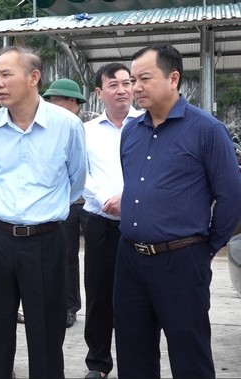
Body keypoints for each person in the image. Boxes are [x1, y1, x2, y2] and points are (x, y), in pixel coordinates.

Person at [116, 43, 241, 378]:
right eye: (132, 79)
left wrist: (205, 248)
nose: (135, 87)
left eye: (144, 78)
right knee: (133, 353)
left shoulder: (206, 129)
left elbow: (230, 197)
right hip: (129, 260)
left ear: (173, 78)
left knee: (190, 354)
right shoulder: (131, 130)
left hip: (182, 261)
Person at [0, 45, 86, 378]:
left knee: (47, 334)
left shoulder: (66, 126)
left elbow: (75, 182)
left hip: (46, 241)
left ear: (33, 77)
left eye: (6, 74)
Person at [81, 63, 142, 379]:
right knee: (99, 295)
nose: (122, 89)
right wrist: (106, 198)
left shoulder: (147, 125)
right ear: (99, 93)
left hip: (142, 226)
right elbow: (80, 174)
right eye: (114, 84)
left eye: (127, 82)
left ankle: (135, 363)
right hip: (101, 224)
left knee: (137, 297)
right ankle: (98, 364)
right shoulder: (87, 132)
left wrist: (129, 198)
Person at [42, 77, 97, 328]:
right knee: (66, 256)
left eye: (57, 100)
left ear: (74, 102)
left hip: (97, 203)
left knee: (99, 259)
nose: (52, 104)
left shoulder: (94, 123)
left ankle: (107, 309)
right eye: (50, 100)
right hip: (69, 203)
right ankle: (69, 305)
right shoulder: (50, 125)